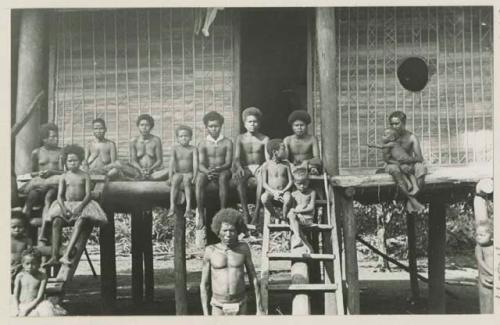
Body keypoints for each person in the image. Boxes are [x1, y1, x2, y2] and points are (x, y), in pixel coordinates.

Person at [43, 145, 108, 267]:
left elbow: (88, 194)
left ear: (80, 161)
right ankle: (54, 256)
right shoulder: (64, 176)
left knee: (81, 221)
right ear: (66, 162)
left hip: (82, 204)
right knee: (56, 222)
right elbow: (60, 196)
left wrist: (80, 207)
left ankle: (66, 254)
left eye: (75, 160)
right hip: (66, 205)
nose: (72, 163)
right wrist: (63, 208)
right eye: (70, 161)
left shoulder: (85, 175)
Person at [200, 208, 262, 315]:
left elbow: (254, 279)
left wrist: (259, 308)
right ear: (218, 231)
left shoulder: (243, 249)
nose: (228, 234)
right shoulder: (210, 251)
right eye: (225, 230)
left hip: (240, 302)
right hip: (217, 304)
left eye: (232, 230)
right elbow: (204, 284)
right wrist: (206, 314)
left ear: (237, 231)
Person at [196, 111, 233, 233]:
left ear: (221, 126)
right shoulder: (203, 143)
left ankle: (222, 212)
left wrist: (219, 169)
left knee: (223, 178)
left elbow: (228, 163)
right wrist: (207, 172)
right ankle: (201, 214)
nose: (214, 129)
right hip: (208, 171)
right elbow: (200, 164)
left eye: (216, 126)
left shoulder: (227, 142)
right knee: (199, 180)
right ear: (206, 127)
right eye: (211, 126)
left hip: (223, 170)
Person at [232, 107, 269, 226]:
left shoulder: (264, 139)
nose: (252, 124)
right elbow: (236, 157)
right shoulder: (240, 138)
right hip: (246, 167)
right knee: (239, 179)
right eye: (250, 122)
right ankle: (245, 212)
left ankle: (257, 212)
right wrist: (239, 167)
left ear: (259, 123)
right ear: (244, 124)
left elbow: (268, 159)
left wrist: (263, 166)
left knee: (261, 181)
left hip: (259, 167)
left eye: (255, 122)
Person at [384, 111, 427, 213]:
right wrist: (398, 163)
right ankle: (412, 200)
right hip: (392, 164)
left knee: (421, 168)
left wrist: (407, 161)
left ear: (404, 123)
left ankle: (412, 196)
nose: (394, 126)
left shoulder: (412, 137)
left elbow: (419, 158)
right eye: (392, 124)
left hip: (408, 164)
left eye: (397, 123)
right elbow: (386, 158)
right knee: (394, 169)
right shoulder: (389, 137)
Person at [20, 123, 63, 223]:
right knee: (32, 196)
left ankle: (45, 222)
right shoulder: (37, 152)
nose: (56, 139)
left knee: (49, 196)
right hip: (39, 184)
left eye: (57, 136)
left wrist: (52, 172)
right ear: (44, 139)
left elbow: (64, 172)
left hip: (55, 184)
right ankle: (24, 222)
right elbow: (32, 173)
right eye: (53, 137)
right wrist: (39, 174)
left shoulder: (61, 152)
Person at [12, 248, 67, 316]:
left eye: (34, 263)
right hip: (21, 304)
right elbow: (16, 295)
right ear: (23, 264)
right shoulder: (20, 276)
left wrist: (27, 309)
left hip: (36, 304)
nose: (30, 266)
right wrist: (17, 308)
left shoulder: (42, 277)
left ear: (39, 264)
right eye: (27, 264)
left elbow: (39, 297)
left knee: (45, 312)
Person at [368, 128, 420, 195]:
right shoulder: (393, 144)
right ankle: (408, 184)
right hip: (401, 161)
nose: (382, 137)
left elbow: (382, 146)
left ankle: (415, 187)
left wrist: (372, 145)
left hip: (405, 160)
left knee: (409, 172)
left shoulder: (392, 143)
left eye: (384, 135)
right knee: (402, 170)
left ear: (392, 138)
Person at [167, 125, 198, 218]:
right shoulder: (175, 149)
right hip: (178, 172)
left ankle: (188, 208)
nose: (184, 138)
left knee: (186, 181)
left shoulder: (193, 149)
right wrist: (170, 176)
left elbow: (195, 163)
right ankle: (172, 206)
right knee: (175, 180)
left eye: (186, 136)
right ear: (177, 138)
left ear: (190, 137)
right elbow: (171, 163)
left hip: (189, 173)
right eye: (181, 136)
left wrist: (195, 176)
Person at [260, 139, 293, 221]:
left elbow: (291, 181)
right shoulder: (266, 165)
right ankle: (274, 215)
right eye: (283, 149)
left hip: (284, 191)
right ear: (275, 152)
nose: (285, 151)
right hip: (271, 192)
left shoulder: (286, 164)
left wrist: (283, 191)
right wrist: (273, 192)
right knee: (264, 198)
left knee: (288, 199)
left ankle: (285, 217)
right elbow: (264, 183)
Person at [128, 114, 169, 180]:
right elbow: (133, 161)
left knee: (170, 170)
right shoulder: (133, 141)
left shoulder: (156, 140)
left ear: (151, 127)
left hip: (153, 172)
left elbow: (159, 160)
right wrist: (140, 169)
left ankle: (149, 177)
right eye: (142, 125)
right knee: (119, 165)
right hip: (138, 172)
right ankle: (140, 177)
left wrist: (151, 169)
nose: (144, 127)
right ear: (138, 126)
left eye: (147, 125)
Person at [283, 110, 322, 175]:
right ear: (292, 127)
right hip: (292, 168)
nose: (299, 128)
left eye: (302, 125)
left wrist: (307, 162)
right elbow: (285, 159)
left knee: (315, 166)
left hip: (308, 167)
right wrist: (291, 165)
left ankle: (313, 170)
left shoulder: (312, 139)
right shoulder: (287, 140)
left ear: (306, 126)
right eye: (296, 125)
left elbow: (317, 158)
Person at [287, 168, 316, 253]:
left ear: (308, 182)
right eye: (299, 184)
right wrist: (298, 214)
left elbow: (311, 207)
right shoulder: (294, 194)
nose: (302, 186)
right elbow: (292, 209)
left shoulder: (312, 192)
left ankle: (302, 241)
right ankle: (300, 240)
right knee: (291, 215)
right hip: (298, 218)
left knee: (293, 223)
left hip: (307, 218)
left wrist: (298, 212)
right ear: (295, 183)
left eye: (305, 184)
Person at [475, 219, 493, 313]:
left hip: (495, 277)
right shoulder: (479, 247)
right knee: (487, 303)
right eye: (477, 235)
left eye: (482, 235)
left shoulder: (495, 245)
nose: (478, 237)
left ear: (490, 235)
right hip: (485, 278)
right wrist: (491, 272)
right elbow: (480, 261)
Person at [11, 214, 33, 285]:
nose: (17, 229)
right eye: (13, 227)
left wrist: (20, 266)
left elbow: (31, 256)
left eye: (20, 227)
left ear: (24, 228)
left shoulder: (27, 241)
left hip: (22, 267)